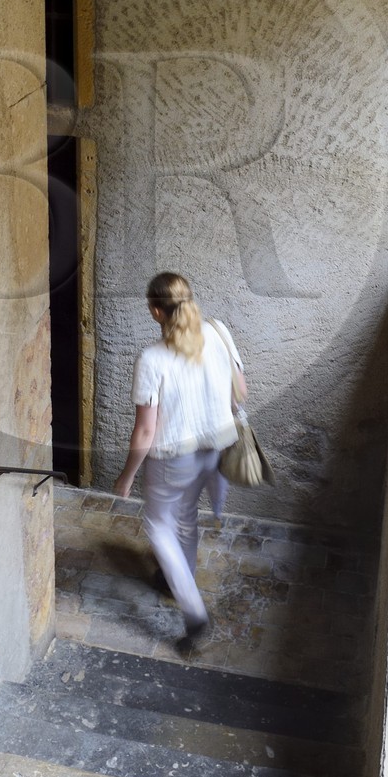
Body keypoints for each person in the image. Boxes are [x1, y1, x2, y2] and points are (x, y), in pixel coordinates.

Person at [114, 271, 246, 652]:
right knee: (186, 517)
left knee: (158, 527)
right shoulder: (219, 332)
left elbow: (145, 431)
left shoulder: (152, 358)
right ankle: (179, 578)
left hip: (173, 457)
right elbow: (242, 392)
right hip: (214, 449)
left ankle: (195, 615)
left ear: (156, 311)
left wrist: (126, 477)